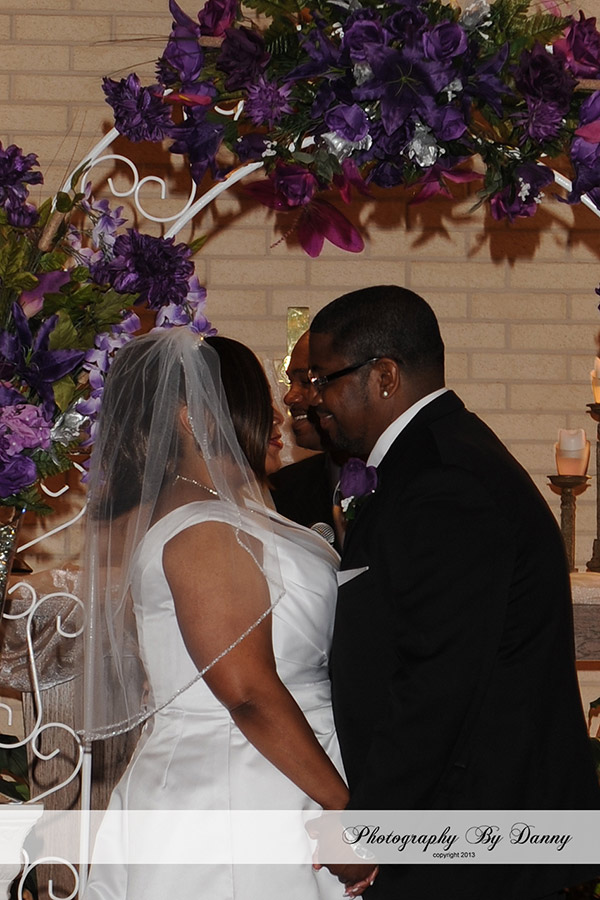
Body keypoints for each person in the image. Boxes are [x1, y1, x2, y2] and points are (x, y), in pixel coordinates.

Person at [308, 285, 600, 900]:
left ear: (384, 376)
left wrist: (372, 827)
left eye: (324, 379)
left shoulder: (444, 479)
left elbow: (438, 679)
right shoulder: (434, 459)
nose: (314, 399)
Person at [79, 328, 356, 900]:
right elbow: (247, 691)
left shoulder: (224, 512)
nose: (277, 416)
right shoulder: (205, 528)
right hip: (239, 787)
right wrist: (344, 809)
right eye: (256, 402)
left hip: (277, 770)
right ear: (195, 419)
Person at [270, 332, 343, 543]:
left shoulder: (411, 479)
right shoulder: (281, 489)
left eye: (306, 381)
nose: (289, 397)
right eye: (290, 382)